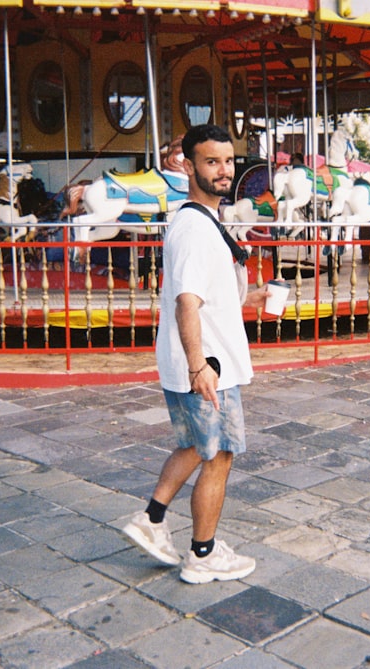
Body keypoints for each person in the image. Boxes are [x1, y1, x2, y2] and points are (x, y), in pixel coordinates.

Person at [122, 124, 269, 584]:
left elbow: (204, 294)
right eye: (211, 162)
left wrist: (252, 298)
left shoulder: (201, 220)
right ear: (188, 166)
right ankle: (203, 556)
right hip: (209, 366)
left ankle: (151, 519)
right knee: (219, 454)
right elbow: (187, 301)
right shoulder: (193, 228)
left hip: (199, 362)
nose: (224, 171)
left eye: (227, 161)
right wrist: (198, 366)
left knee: (193, 444)